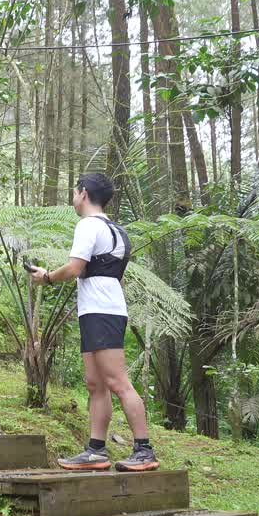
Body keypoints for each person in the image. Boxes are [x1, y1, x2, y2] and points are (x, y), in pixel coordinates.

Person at [28, 173, 159, 472]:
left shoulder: (88, 225)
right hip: (101, 310)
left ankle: (144, 450)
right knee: (95, 383)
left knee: (116, 381)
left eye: (75, 192)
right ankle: (96, 451)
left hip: (101, 312)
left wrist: (47, 277)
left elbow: (75, 268)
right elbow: (116, 277)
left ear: (83, 193)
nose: (73, 198)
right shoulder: (116, 230)